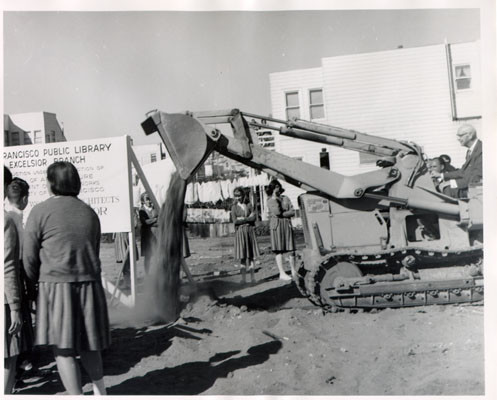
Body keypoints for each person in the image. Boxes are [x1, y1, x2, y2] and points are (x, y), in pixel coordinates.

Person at [23, 162, 110, 395]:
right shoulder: (90, 213)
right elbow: (95, 250)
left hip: (56, 286)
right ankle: (101, 393)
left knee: (63, 350)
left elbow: (29, 258)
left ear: (52, 183)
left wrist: (34, 285)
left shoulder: (40, 211)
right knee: (89, 344)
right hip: (89, 286)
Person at [5, 178, 36, 378]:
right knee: (17, 326)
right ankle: (20, 365)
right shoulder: (13, 220)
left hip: (13, 277)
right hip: (14, 278)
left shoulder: (8, 216)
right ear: (24, 199)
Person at [4, 167, 24, 394]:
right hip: (4, 300)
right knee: (8, 356)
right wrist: (16, 307)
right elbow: (7, 267)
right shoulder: (5, 221)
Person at [431, 124, 482, 198]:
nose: (458, 138)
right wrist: (441, 175)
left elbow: (475, 179)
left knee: (447, 189)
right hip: (472, 188)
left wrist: (451, 183)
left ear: (470, 135)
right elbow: (462, 172)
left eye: (460, 135)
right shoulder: (470, 151)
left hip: (478, 192)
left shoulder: (481, 150)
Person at [265, 179, 297, 281]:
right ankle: (282, 273)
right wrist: (275, 198)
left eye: (278, 187)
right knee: (279, 250)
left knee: (291, 249)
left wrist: (284, 214)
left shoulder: (285, 198)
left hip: (286, 224)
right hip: (277, 225)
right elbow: (277, 212)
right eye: (275, 188)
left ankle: (293, 270)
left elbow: (292, 212)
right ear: (272, 189)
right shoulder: (270, 200)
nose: (277, 189)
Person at [231, 187, 260, 283]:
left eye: (239, 195)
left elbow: (254, 218)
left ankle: (253, 278)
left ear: (243, 195)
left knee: (251, 256)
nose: (238, 198)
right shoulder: (234, 208)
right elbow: (235, 221)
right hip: (240, 233)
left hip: (249, 231)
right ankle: (243, 279)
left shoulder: (248, 205)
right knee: (242, 256)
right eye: (236, 196)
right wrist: (247, 218)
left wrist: (242, 219)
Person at [139, 192, 159, 275]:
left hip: (156, 234)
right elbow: (145, 222)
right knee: (148, 256)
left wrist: (152, 221)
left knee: (157, 255)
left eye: (150, 199)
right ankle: (147, 274)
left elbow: (160, 221)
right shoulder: (142, 211)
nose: (149, 201)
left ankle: (156, 274)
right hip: (146, 235)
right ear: (143, 201)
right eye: (147, 199)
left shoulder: (156, 209)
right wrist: (155, 219)